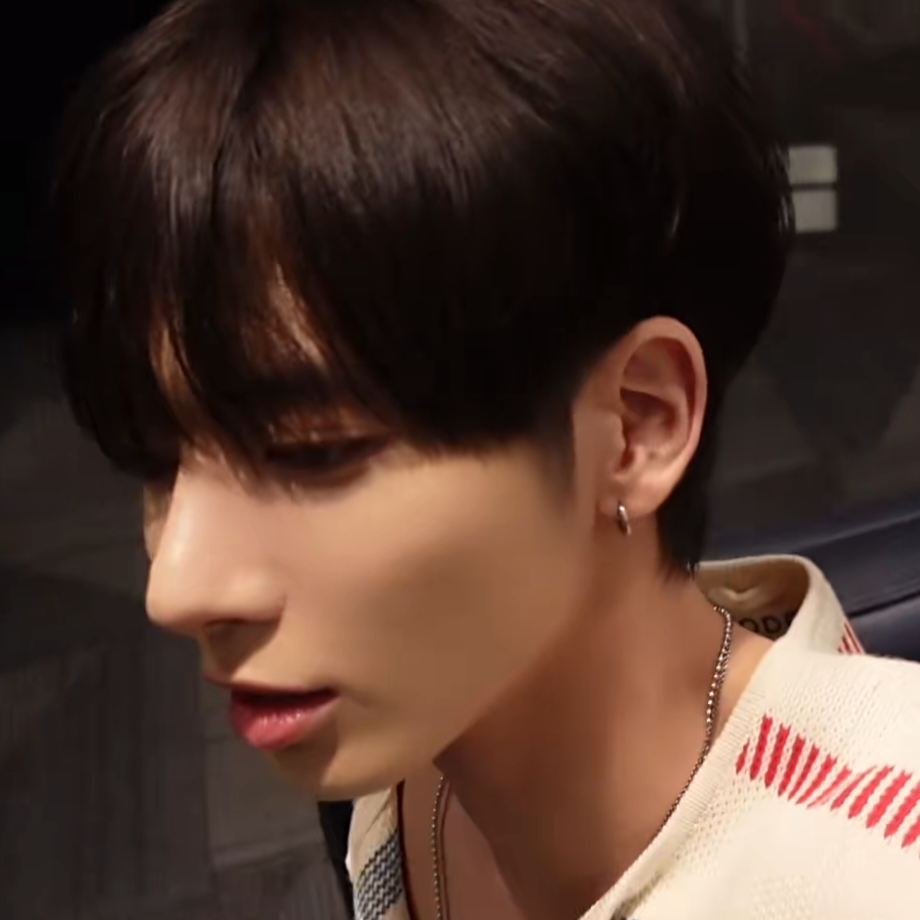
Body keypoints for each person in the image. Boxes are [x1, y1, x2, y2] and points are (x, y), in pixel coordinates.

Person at [54, 0, 920, 918]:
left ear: (637, 423)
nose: (176, 586)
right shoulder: (418, 749)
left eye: (313, 452)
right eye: (156, 461)